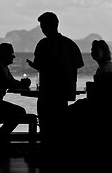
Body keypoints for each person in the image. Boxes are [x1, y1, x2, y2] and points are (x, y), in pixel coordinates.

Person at [26, 11, 84, 166]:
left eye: (43, 26)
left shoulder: (43, 44)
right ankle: (58, 156)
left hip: (47, 93)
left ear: (49, 26)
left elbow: (39, 65)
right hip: (64, 93)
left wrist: (34, 66)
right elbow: (79, 64)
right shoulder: (70, 44)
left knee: (45, 125)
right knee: (59, 127)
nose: (42, 29)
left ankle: (45, 156)